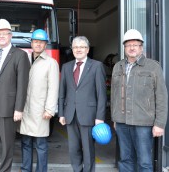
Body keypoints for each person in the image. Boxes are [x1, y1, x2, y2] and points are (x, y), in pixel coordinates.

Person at [111, 29, 168, 172]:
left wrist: (160, 124)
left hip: (143, 122)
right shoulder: (118, 66)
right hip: (122, 121)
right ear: (124, 48)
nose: (131, 48)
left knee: (144, 161)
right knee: (125, 159)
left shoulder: (153, 66)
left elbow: (161, 96)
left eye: (135, 44)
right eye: (128, 45)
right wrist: (115, 118)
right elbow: (114, 94)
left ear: (141, 47)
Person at [0, 19, 30, 172]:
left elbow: (23, 84)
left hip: (8, 105)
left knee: (6, 141)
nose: (1, 36)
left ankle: (4, 170)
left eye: (4, 33)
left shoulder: (20, 55)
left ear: (11, 35)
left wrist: (19, 109)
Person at [58, 36, 107, 172]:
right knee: (73, 149)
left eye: (82, 47)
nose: (78, 49)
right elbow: (62, 93)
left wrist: (100, 118)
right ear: (72, 50)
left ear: (87, 49)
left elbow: (101, 95)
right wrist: (61, 113)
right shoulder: (66, 67)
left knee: (88, 149)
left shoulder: (97, 66)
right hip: (70, 115)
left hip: (89, 116)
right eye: (75, 47)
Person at [19, 29, 59, 172]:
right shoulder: (24, 59)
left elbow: (53, 88)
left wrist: (50, 109)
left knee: (41, 145)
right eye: (35, 41)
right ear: (31, 43)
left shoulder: (51, 63)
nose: (38, 44)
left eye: (41, 42)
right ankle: (25, 169)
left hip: (40, 110)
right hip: (25, 109)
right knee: (25, 143)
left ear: (45, 45)